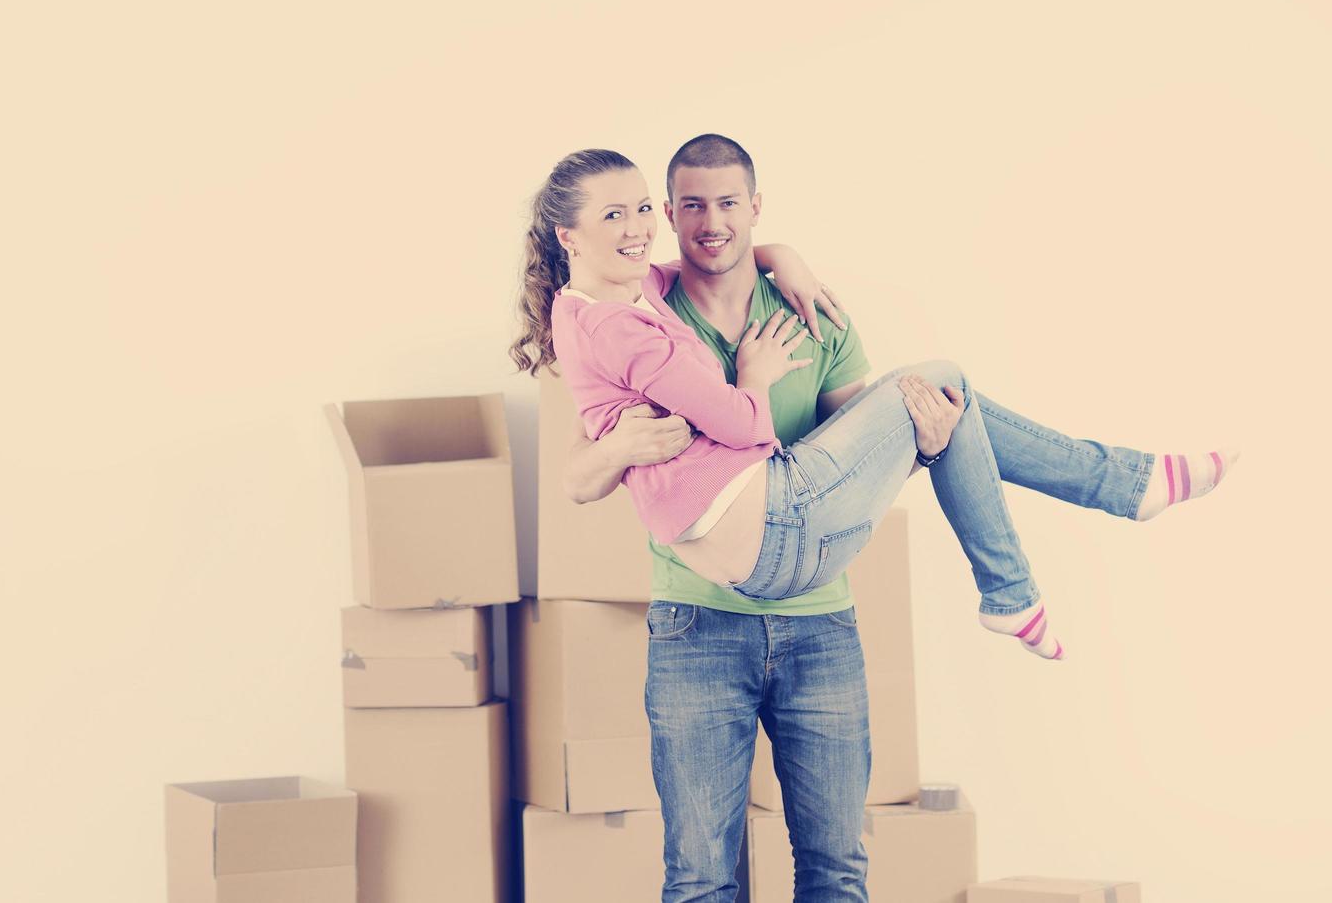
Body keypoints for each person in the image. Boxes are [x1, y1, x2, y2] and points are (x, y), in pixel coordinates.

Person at [509, 137, 1237, 902]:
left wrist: (926, 442)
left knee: (837, 868)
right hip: (699, 620)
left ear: (755, 209)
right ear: (669, 215)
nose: (707, 222)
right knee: (698, 876)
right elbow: (576, 475)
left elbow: (857, 448)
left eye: (727, 204)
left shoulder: (809, 315)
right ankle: (1084, 523)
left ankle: (1079, 529)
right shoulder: (639, 300)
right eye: (689, 205)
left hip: (815, 613)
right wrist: (624, 442)